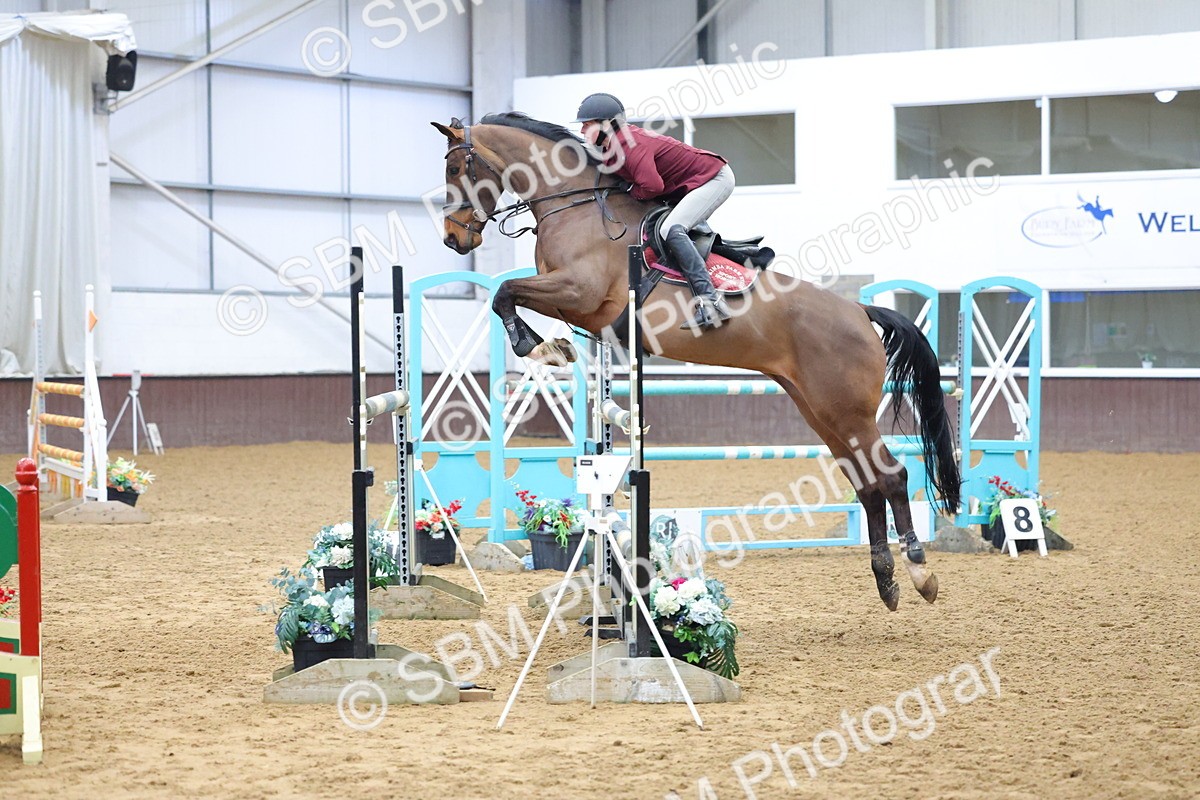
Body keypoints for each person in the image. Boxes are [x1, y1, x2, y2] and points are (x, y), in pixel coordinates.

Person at [576, 92, 734, 331]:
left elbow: (652, 186)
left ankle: (710, 302)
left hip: (714, 179)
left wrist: (631, 191)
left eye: (587, 125)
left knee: (671, 228)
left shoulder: (628, 144)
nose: (582, 131)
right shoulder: (615, 146)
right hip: (692, 184)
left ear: (606, 125)